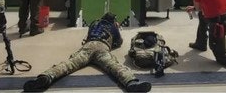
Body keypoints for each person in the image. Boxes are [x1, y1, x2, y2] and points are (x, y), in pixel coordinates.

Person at [23, 12, 152, 92]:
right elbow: (118, 42)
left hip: (88, 46)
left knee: (69, 64)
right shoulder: (112, 26)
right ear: (113, 21)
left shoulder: (94, 24)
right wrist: (116, 29)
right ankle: (131, 82)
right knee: (115, 66)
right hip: (102, 47)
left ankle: (46, 77)